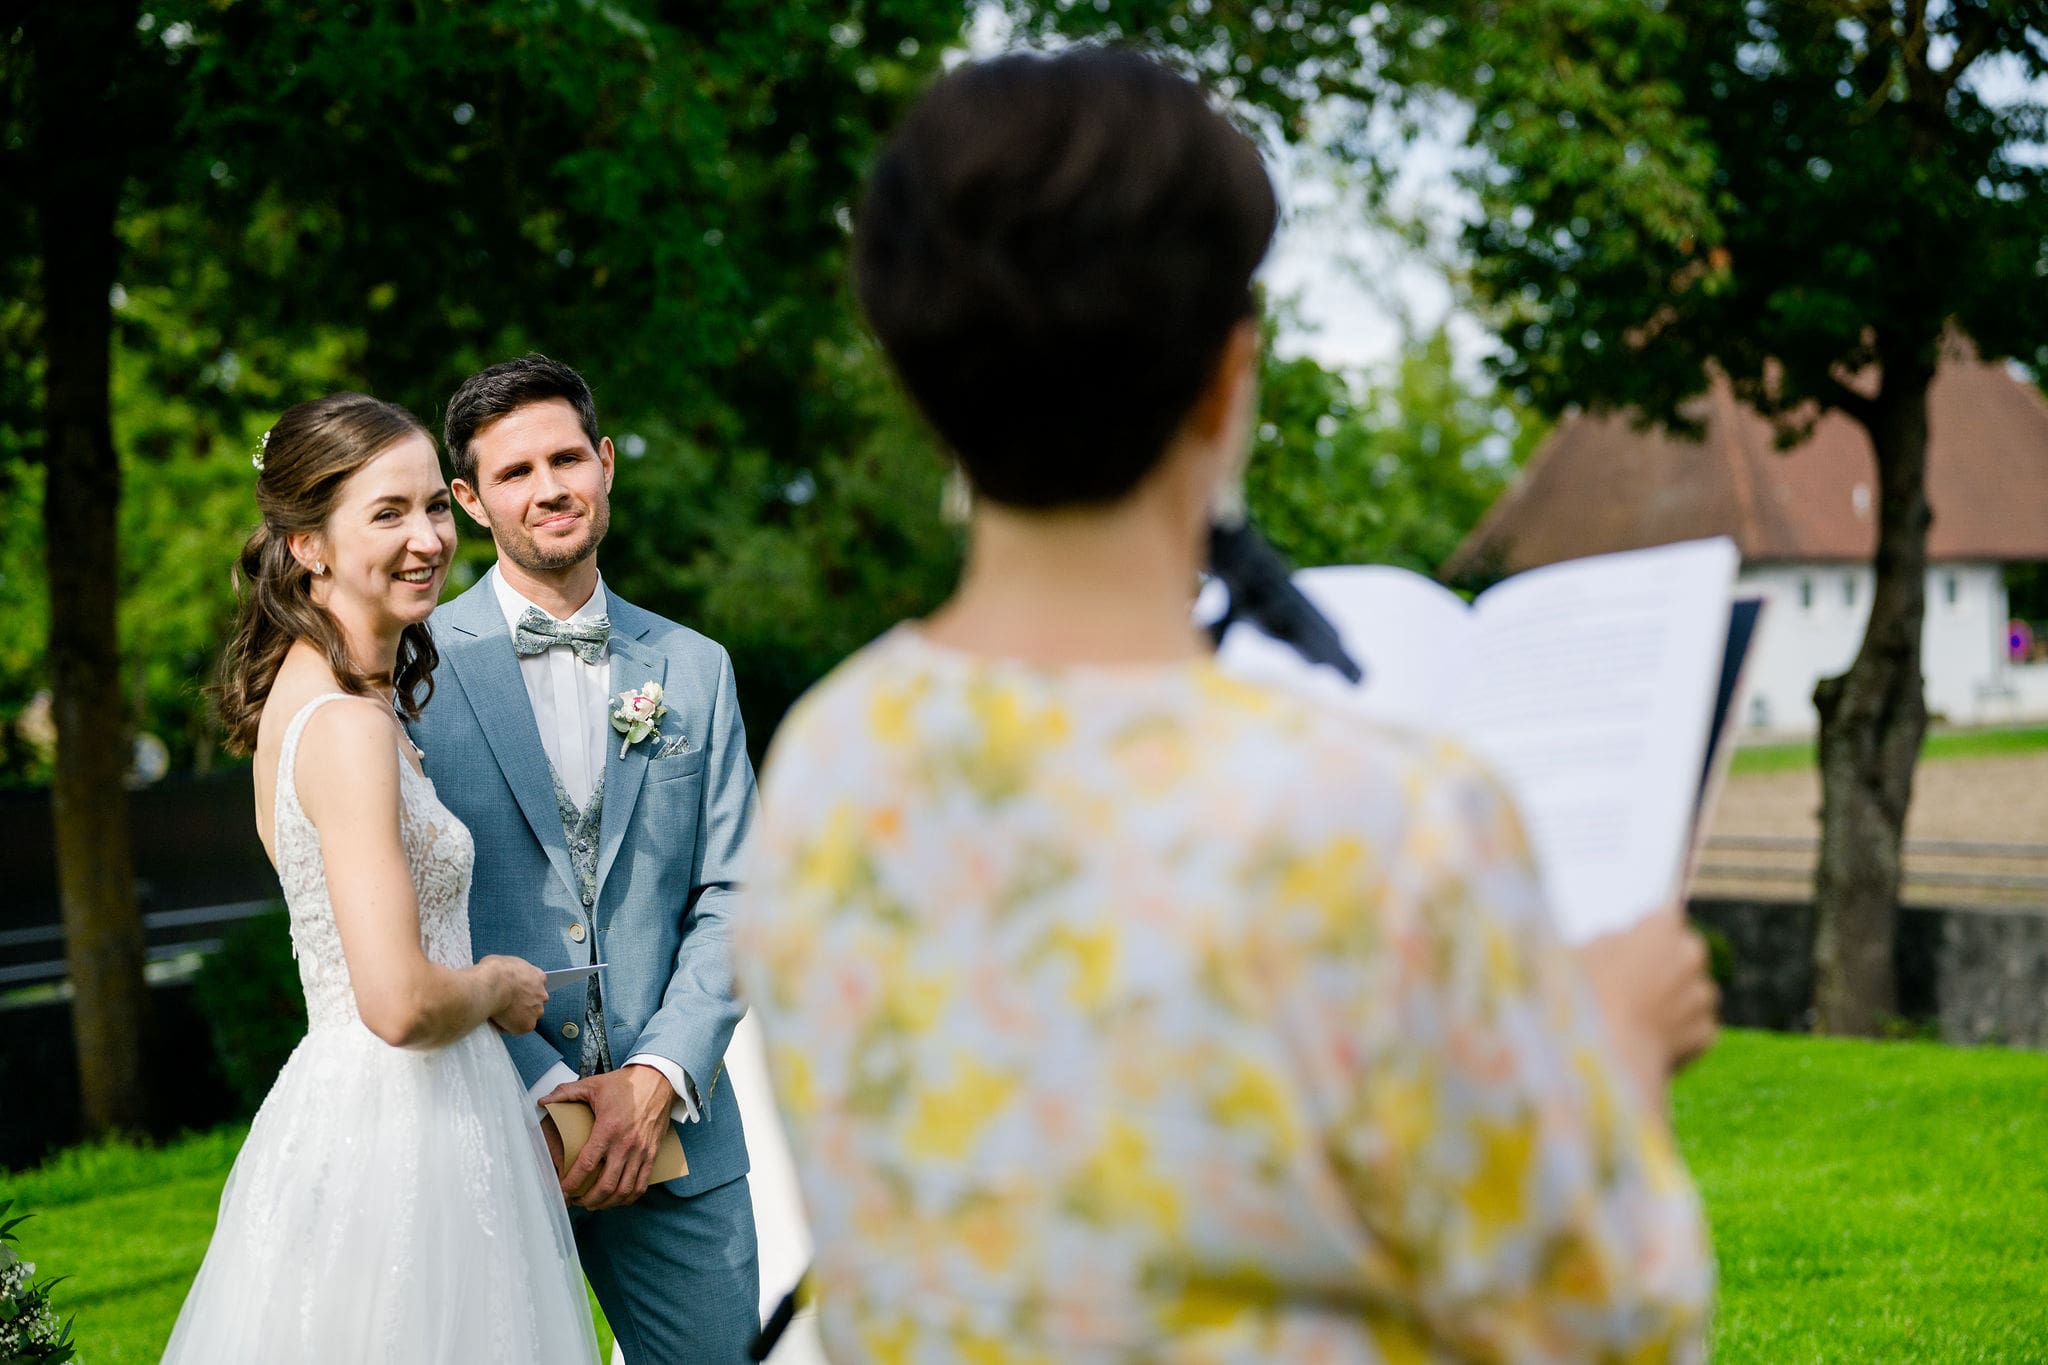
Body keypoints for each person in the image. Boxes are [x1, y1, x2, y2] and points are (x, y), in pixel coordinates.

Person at [736, 48, 1719, 1363]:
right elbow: (1608, 1325)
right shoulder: (1388, 823)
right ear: (1224, 376)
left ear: (920, 378)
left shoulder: (829, 762)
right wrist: (1617, 1045)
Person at [166, 394, 598, 1362]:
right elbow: (397, 1001)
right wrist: (500, 985)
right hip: (403, 1131)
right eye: (387, 514)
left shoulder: (321, 699)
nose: (426, 540)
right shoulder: (349, 730)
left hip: (399, 1111)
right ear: (308, 546)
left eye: (433, 509)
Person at [409, 355, 761, 1362]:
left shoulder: (695, 667)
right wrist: (542, 1084)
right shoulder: (411, 669)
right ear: (470, 500)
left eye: (568, 457)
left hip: (677, 1139)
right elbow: (417, 912)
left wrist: (653, 1078)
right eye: (514, 472)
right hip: (492, 1123)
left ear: (606, 465)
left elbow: (737, 892)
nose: (550, 487)